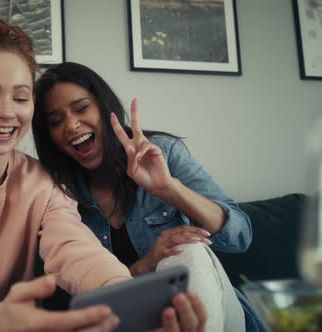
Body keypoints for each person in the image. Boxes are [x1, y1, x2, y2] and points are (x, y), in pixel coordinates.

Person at [0, 10, 206, 332]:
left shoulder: (42, 183)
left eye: (21, 98)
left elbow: (75, 249)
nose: (7, 111)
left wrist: (129, 301)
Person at [31, 62, 265, 331]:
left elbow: (240, 236)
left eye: (81, 108)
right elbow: (84, 300)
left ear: (104, 107)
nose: (71, 125)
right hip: (132, 323)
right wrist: (147, 263)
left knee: (189, 250)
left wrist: (168, 187)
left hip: (214, 313)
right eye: (56, 121)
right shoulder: (59, 195)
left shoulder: (163, 153)